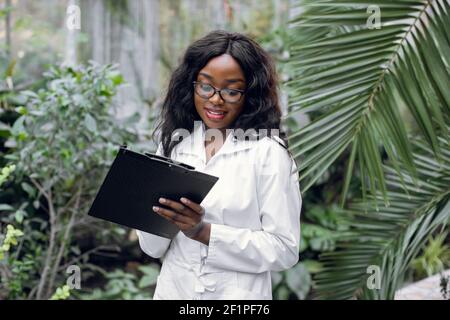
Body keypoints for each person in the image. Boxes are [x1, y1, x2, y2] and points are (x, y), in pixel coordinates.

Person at [136, 30, 302, 300]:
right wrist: (149, 212)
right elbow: (153, 248)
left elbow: (284, 249)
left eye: (231, 90)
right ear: (191, 86)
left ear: (250, 94)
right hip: (175, 292)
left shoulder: (268, 154)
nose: (215, 99)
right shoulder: (176, 145)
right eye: (206, 86)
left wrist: (203, 232)